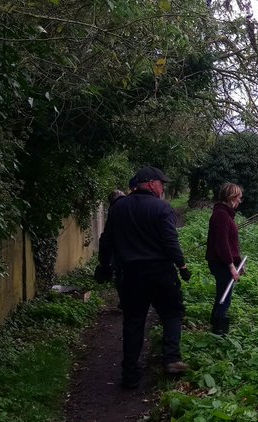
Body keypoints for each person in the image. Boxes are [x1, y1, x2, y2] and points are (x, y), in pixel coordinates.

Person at [96, 166, 193, 388]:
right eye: (161, 183)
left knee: (133, 321)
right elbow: (170, 241)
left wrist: (104, 265)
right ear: (151, 184)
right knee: (172, 313)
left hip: (130, 274)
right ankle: (171, 358)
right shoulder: (161, 208)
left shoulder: (118, 208)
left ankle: (130, 374)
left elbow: (106, 240)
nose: (163, 187)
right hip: (160, 273)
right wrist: (182, 266)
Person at [206, 182, 244, 335]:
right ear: (232, 197)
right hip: (221, 263)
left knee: (222, 295)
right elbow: (222, 245)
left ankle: (215, 324)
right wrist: (232, 266)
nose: (240, 200)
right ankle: (219, 331)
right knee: (224, 299)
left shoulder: (225, 214)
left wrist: (238, 262)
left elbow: (230, 242)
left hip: (223, 262)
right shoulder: (221, 215)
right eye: (239, 197)